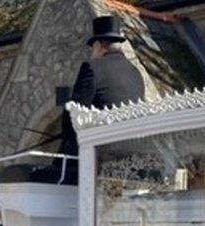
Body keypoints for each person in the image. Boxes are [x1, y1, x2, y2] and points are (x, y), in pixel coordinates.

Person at [56, 15, 145, 183]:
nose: (92, 52)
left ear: (100, 45)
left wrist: (64, 135)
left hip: (102, 151)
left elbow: (74, 113)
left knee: (56, 167)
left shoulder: (92, 67)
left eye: (92, 48)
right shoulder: (136, 73)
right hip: (133, 152)